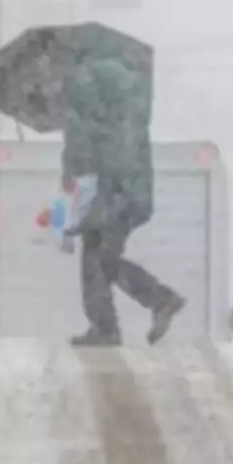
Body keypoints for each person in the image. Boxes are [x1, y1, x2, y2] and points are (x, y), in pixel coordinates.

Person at [63, 56, 185, 346]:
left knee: (96, 263)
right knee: (103, 261)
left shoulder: (90, 117)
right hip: (128, 197)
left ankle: (118, 322)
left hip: (109, 199)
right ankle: (148, 304)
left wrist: (69, 214)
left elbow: (81, 168)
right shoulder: (126, 112)